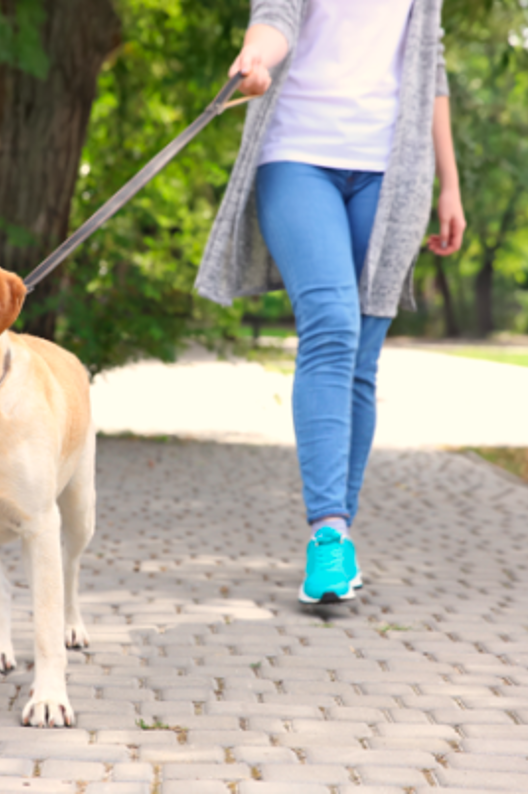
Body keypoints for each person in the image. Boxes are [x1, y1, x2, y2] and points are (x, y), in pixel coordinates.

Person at [195, 0, 466, 604]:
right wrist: (256, 58)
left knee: (361, 361)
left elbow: (430, 62)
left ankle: (341, 534)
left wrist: (450, 183)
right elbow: (276, 16)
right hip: (297, 156)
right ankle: (328, 536)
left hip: (393, 173)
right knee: (331, 326)